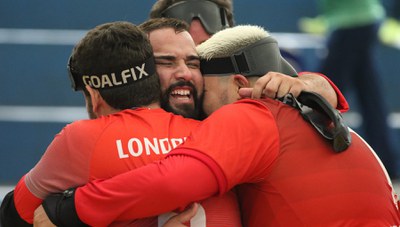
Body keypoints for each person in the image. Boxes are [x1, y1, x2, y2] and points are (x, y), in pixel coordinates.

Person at [35, 25, 400, 227]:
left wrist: (69, 208)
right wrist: (317, 83)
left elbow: (172, 180)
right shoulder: (321, 119)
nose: (201, 110)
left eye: (205, 91)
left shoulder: (250, 113)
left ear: (241, 86)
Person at [0, 20, 244, 227]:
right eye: (167, 62)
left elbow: (15, 216)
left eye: (193, 63)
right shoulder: (228, 133)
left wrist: (66, 208)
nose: (184, 73)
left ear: (94, 96)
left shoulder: (83, 140)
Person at [149, 0, 349, 114]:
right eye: (172, 59)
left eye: (206, 49)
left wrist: (302, 86)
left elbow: (327, 95)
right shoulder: (142, 92)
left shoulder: (256, 74)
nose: (187, 71)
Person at [299, 0, 400, 179]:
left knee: (320, 99)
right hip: (364, 20)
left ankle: (309, 161)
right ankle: (387, 165)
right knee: (370, 97)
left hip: (350, 25)